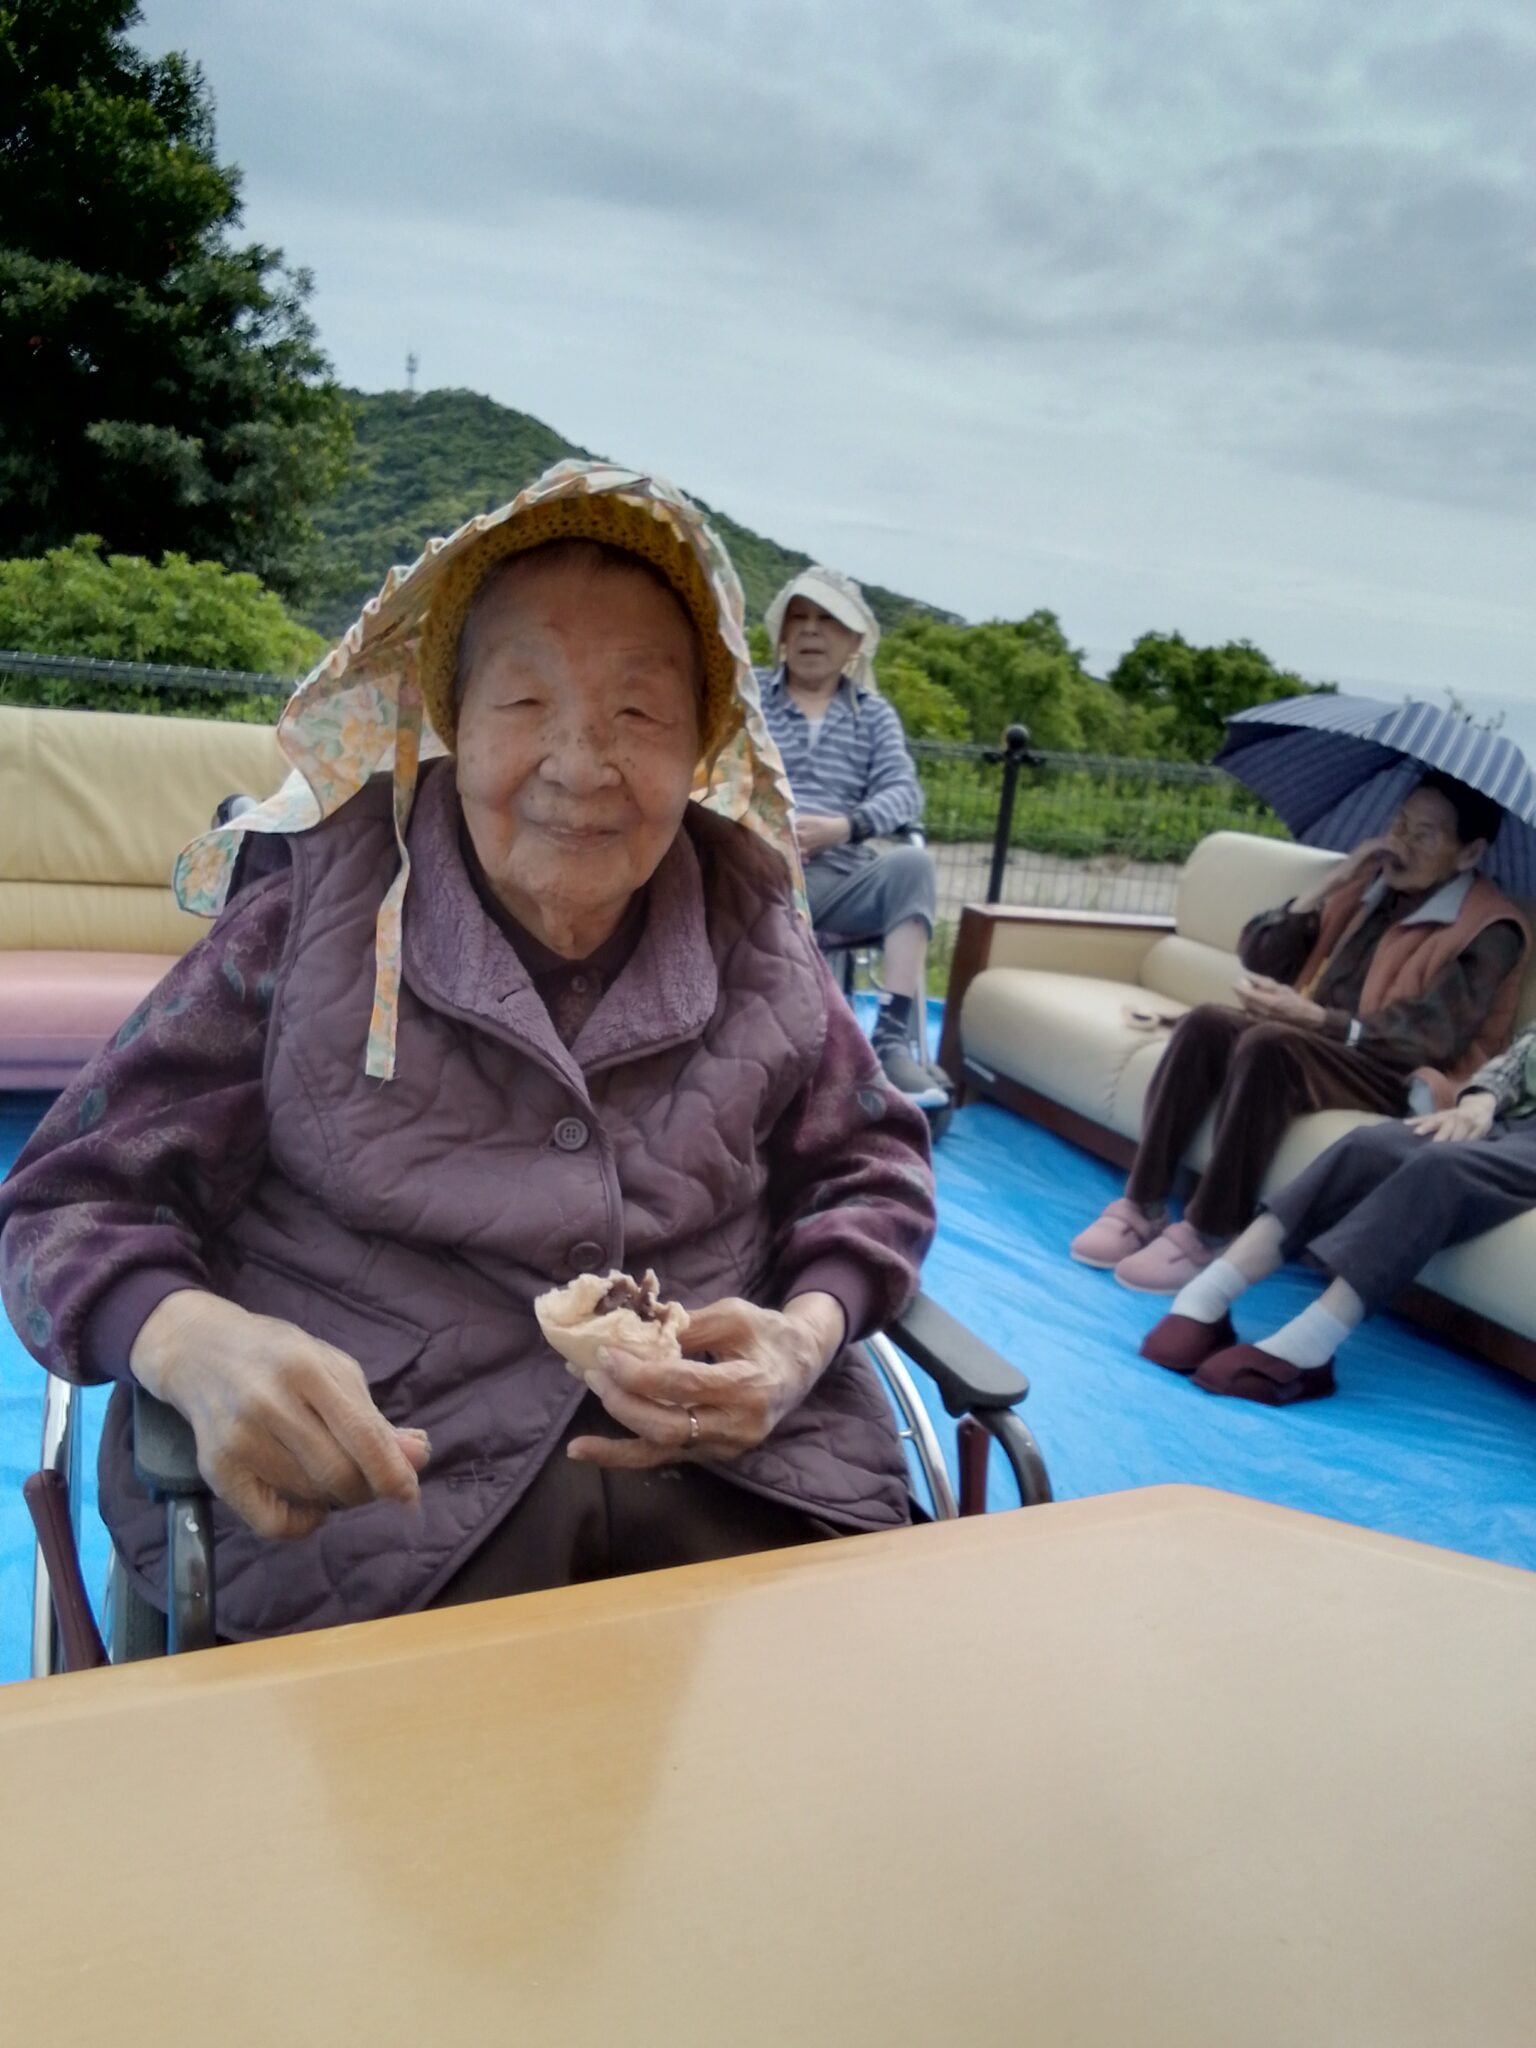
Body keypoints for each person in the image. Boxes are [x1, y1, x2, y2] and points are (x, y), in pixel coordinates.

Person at [0, 465, 937, 1642]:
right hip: (376, 1535)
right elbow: (68, 1198)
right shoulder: (316, 906)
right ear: (454, 715)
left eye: (640, 713)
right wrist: (185, 1335)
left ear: (704, 743)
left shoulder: (753, 919)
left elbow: (873, 1165)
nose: (580, 764)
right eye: (526, 701)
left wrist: (807, 1333)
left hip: (749, 1499)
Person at [1071, 773, 1529, 1291]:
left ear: (1470, 854)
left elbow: (1430, 1038)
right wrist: (1334, 880)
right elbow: (1260, 956)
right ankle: (1142, 1204)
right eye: (1400, 823)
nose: (1401, 842)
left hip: (1400, 1073)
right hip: (1326, 1045)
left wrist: (1316, 1020)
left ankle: (1211, 1231)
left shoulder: (1491, 929)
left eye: (1425, 835)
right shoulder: (1369, 887)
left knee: (1271, 1045)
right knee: (1205, 1024)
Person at [1138, 1018, 1536, 1405]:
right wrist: (1481, 1100)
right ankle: (1209, 1292)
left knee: (1440, 1168)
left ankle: (1310, 1348)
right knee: (1368, 1147)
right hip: (1513, 1118)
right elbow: (1523, 1051)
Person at [758, 566, 948, 1108]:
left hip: (842, 877)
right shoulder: (750, 703)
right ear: (782, 634)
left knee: (913, 865)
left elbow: (905, 793)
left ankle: (890, 1039)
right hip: (758, 871)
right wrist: (769, 829)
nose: (810, 630)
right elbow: (718, 774)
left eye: (827, 619)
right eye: (799, 617)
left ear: (854, 641)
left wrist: (844, 827)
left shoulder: (874, 715)